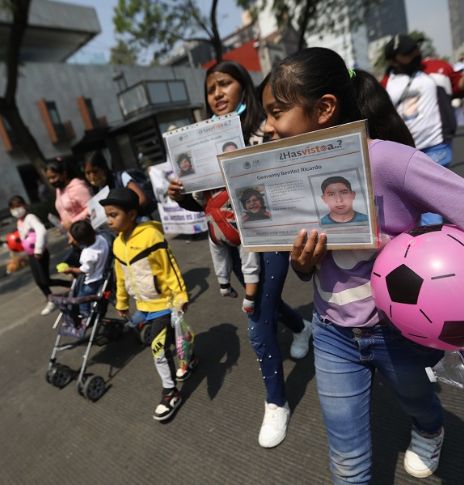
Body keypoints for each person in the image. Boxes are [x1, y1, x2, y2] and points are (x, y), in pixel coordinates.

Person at [263, 47, 464, 482]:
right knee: (347, 463)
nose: (267, 126)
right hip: (332, 332)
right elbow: (311, 269)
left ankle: (430, 430)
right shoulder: (289, 178)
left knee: (419, 404)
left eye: (277, 112)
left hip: (399, 333)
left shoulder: (390, 161)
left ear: (324, 109)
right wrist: (303, 264)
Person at [168, 60, 311, 448]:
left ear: (241, 87)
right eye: (211, 88)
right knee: (268, 300)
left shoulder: (264, 128)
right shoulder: (198, 147)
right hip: (232, 245)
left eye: (225, 84)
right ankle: (301, 327)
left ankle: (276, 402)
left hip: (271, 237)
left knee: (258, 320)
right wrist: (182, 194)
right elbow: (208, 208)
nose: (217, 93)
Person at [100, 187, 194, 421]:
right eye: (107, 215)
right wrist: (122, 302)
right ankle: (189, 356)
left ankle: (170, 392)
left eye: (114, 215)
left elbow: (168, 265)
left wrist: (180, 295)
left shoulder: (151, 236)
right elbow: (120, 275)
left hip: (165, 302)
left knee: (158, 348)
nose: (109, 221)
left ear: (132, 214)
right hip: (144, 306)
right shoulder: (117, 244)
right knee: (172, 338)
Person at [383, 33, 457, 226]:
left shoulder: (438, 69)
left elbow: (461, 85)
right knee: (415, 207)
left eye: (415, 48)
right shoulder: (385, 83)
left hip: (436, 147)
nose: (415, 53)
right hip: (406, 152)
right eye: (408, 52)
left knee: (432, 204)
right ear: (394, 59)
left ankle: (434, 246)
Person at [9, 195, 59, 316]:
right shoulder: (19, 222)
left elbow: (41, 230)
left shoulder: (30, 217)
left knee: (45, 280)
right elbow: (23, 239)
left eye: (18, 206)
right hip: (31, 255)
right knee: (39, 281)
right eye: (13, 208)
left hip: (39, 253)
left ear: (25, 205)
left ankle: (69, 286)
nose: (16, 210)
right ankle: (50, 299)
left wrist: (38, 249)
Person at [82, 150, 155, 219]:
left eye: (95, 171)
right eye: (88, 173)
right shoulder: (97, 191)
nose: (92, 177)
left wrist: (125, 216)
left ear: (104, 169)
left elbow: (142, 199)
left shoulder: (121, 177)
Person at [60, 220, 110, 317]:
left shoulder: (87, 253)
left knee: (82, 297)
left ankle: (84, 314)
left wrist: (70, 270)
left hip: (93, 281)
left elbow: (84, 270)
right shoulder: (101, 238)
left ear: (78, 241)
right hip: (103, 273)